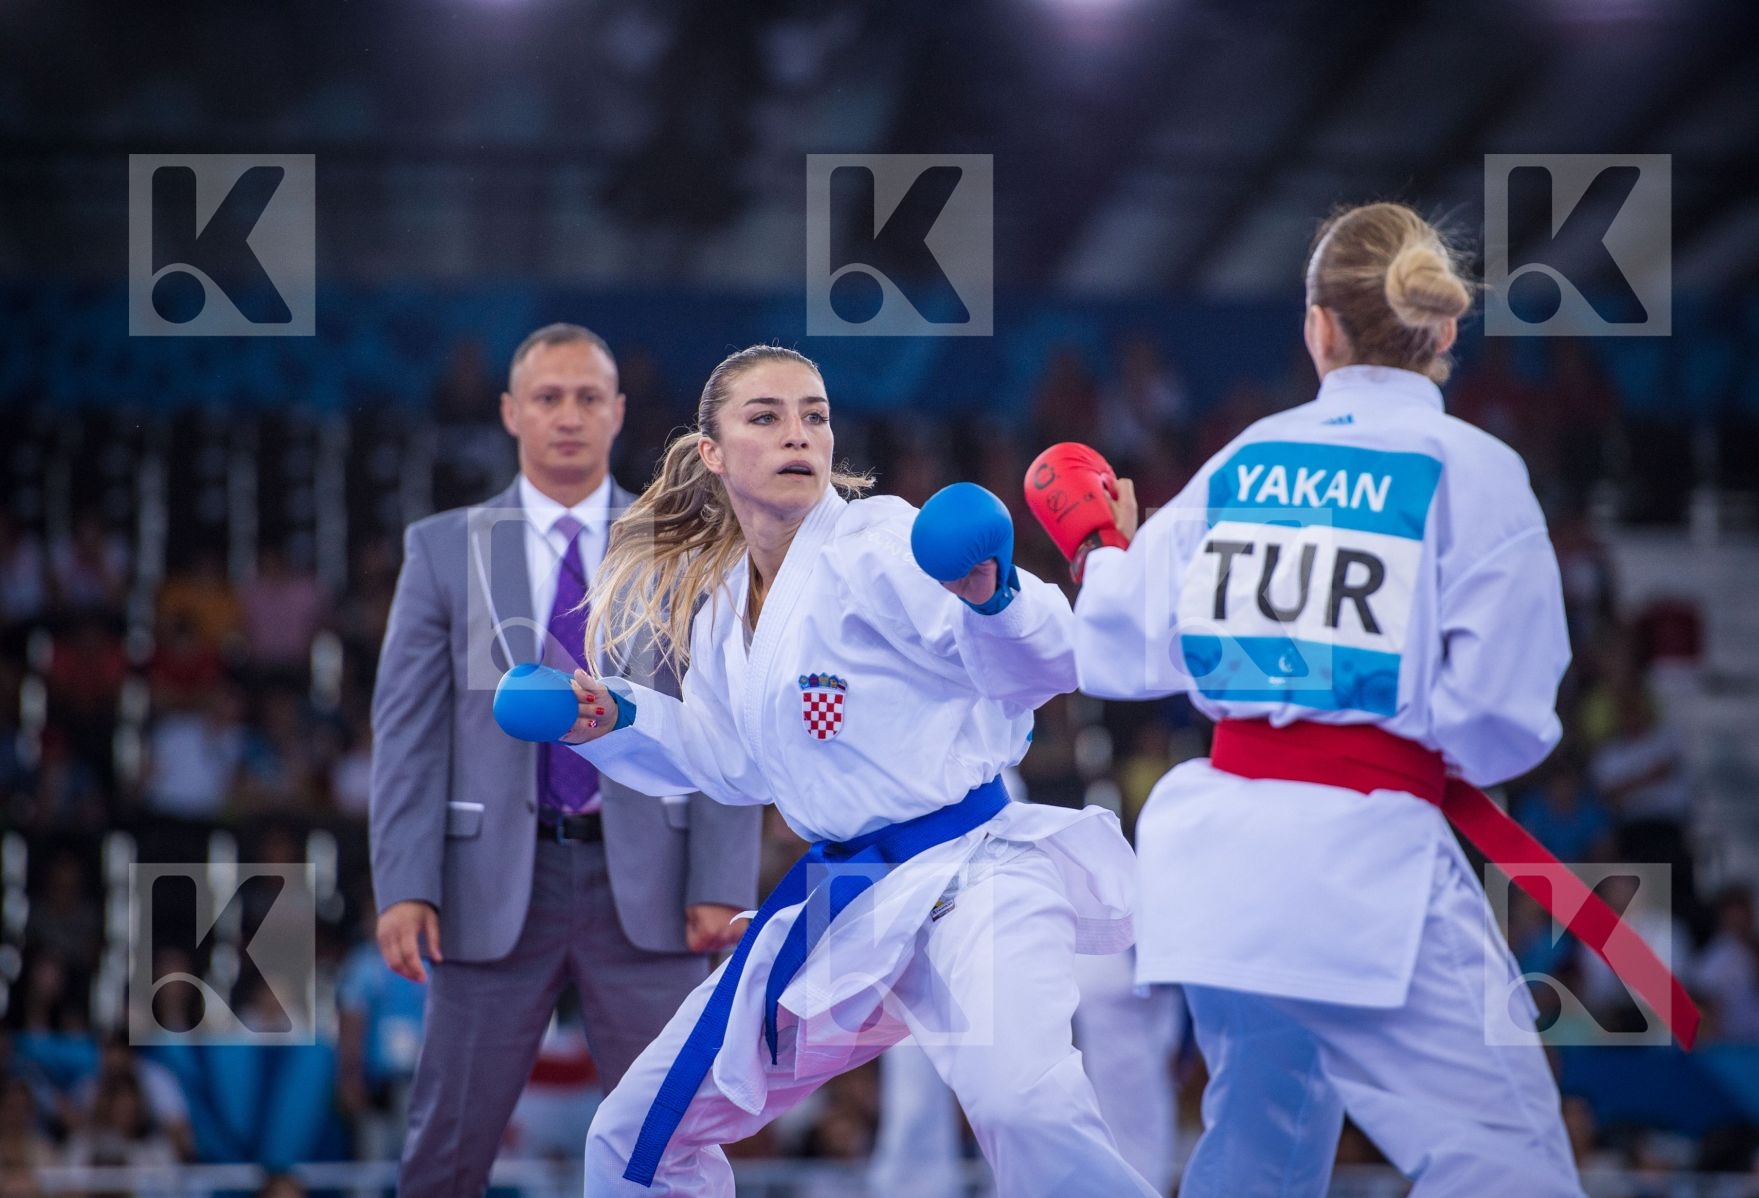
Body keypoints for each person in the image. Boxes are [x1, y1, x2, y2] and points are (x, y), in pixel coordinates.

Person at [1062, 203, 1589, 1195]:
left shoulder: (1246, 458)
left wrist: (1101, 549)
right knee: (1508, 1161)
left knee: (1262, 1143)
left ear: (1319, 328)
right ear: (1443, 330)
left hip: (1218, 868)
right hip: (1364, 871)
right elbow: (1502, 717)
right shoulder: (1476, 473)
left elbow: (1120, 648)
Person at [557, 344, 1154, 1196]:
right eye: (766, 417)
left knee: (1028, 1112)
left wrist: (992, 597)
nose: (799, 434)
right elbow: (732, 763)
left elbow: (1045, 663)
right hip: (845, 900)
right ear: (712, 454)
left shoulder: (880, 542)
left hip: (972, 879)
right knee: (631, 1139)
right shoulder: (727, 600)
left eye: (816, 415)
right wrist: (616, 717)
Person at [369, 323, 762, 1198]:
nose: (569, 416)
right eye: (548, 398)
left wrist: (723, 877)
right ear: (510, 412)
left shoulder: (679, 544)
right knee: (448, 1144)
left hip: (654, 880)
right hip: (491, 880)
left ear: (620, 412)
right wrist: (403, 884)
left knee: (678, 1134)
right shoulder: (443, 550)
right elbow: (407, 734)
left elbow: (725, 713)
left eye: (589, 397)